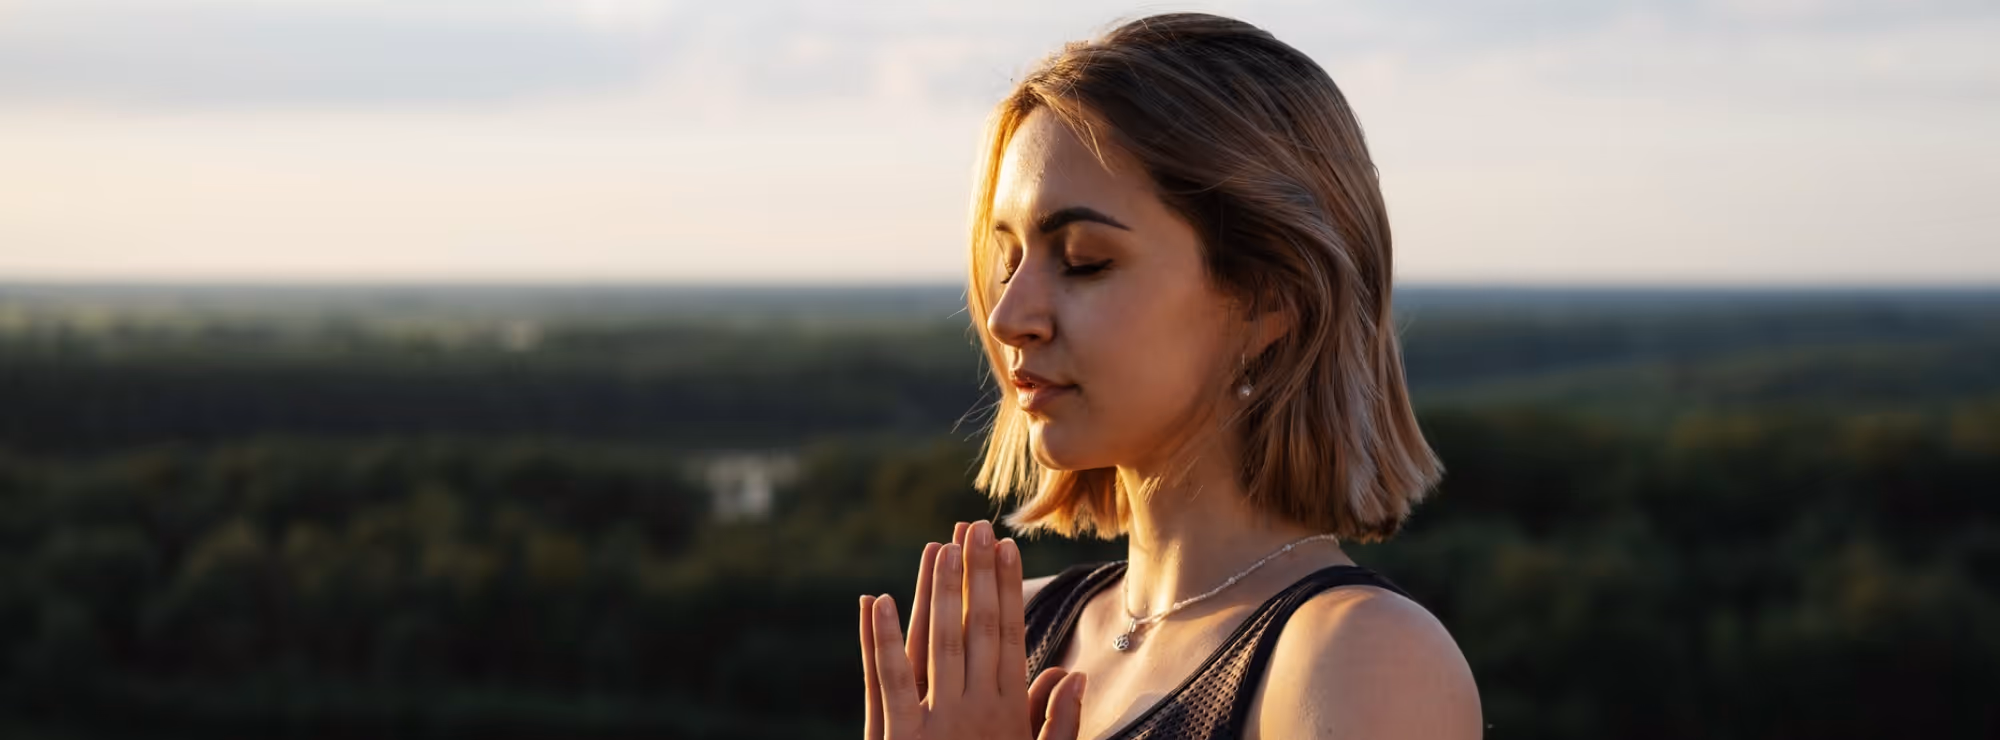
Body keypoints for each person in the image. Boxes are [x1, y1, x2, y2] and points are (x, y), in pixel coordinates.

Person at [860, 12, 1482, 740]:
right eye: (1009, 261)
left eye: (1084, 261)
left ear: (1267, 299)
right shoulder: (1005, 639)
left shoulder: (1362, 660)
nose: (1007, 317)